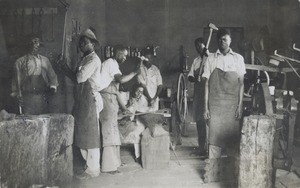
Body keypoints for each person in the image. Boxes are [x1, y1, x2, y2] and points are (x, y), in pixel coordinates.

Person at [58, 28, 102, 179]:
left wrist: (66, 70)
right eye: (81, 42)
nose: (82, 45)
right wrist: (65, 69)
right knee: (82, 133)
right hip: (82, 100)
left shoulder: (93, 60)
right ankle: (87, 166)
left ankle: (93, 169)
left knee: (91, 135)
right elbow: (76, 76)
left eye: (86, 42)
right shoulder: (84, 59)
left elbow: (80, 78)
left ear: (93, 44)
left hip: (90, 99)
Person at [202, 28, 245, 159]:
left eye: (225, 39)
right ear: (217, 41)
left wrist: (239, 106)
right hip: (215, 106)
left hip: (232, 106)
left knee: (232, 137)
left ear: (230, 40)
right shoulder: (210, 59)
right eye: (220, 39)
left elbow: (241, 84)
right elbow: (206, 84)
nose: (222, 42)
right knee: (214, 138)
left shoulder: (238, 59)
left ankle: (231, 171)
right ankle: (213, 169)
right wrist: (205, 108)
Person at [100, 45, 139, 174]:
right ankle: (108, 166)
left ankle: (115, 162)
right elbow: (121, 80)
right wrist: (134, 73)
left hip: (110, 99)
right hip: (106, 100)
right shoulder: (111, 63)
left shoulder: (113, 64)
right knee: (109, 133)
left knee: (114, 132)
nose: (125, 58)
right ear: (117, 53)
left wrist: (123, 108)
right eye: (124, 55)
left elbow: (116, 91)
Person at [11, 34, 58, 115]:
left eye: (37, 42)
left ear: (40, 44)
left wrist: (52, 88)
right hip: (26, 98)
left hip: (42, 97)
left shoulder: (45, 60)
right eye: (32, 43)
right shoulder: (20, 62)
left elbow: (53, 77)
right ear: (28, 45)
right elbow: (15, 82)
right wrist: (17, 94)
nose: (34, 45)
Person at [187, 37, 208, 156]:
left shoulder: (212, 58)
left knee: (208, 121)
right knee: (200, 121)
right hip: (198, 94)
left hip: (209, 93)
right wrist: (196, 78)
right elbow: (190, 76)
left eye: (201, 46)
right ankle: (201, 147)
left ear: (205, 45)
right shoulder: (195, 61)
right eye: (197, 47)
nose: (199, 49)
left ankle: (209, 148)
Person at [118, 84, 145, 163]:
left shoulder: (138, 100)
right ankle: (138, 156)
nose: (140, 94)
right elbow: (120, 113)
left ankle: (139, 155)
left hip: (129, 121)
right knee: (137, 132)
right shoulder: (127, 98)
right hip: (122, 123)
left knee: (141, 128)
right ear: (134, 91)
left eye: (141, 92)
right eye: (138, 91)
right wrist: (127, 111)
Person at [136, 47, 163, 112]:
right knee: (141, 119)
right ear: (144, 58)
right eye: (147, 58)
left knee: (153, 119)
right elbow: (142, 85)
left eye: (150, 58)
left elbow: (160, 85)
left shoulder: (156, 69)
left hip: (154, 100)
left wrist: (154, 98)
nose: (148, 60)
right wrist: (149, 98)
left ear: (152, 59)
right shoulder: (139, 69)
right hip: (143, 99)